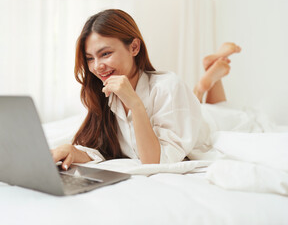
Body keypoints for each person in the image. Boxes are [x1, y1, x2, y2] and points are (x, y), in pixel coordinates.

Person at [51, 9, 241, 170]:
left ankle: (204, 84)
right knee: (207, 105)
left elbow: (155, 162)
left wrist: (134, 103)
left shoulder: (168, 86)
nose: (97, 66)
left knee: (222, 110)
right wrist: (74, 152)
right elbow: (102, 148)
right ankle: (205, 80)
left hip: (213, 124)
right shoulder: (105, 93)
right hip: (188, 113)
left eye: (106, 54)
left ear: (134, 47)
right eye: (90, 58)